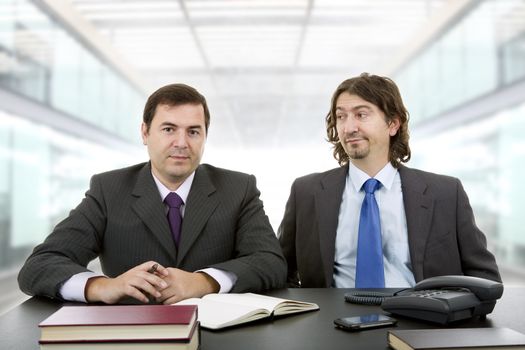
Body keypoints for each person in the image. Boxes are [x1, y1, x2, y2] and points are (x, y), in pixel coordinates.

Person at [18, 83, 287, 304]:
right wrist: (103, 287)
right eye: (169, 129)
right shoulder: (109, 190)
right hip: (132, 336)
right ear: (145, 132)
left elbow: (270, 262)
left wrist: (203, 281)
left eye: (193, 131)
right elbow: (40, 265)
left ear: (205, 136)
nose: (181, 143)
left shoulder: (237, 189)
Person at [278, 73, 501, 288]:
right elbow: (279, 271)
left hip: (421, 320)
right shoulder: (306, 192)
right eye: (341, 116)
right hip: (334, 322)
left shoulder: (445, 193)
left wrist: (451, 314)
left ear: (393, 124)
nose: (349, 127)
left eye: (361, 114)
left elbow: (484, 277)